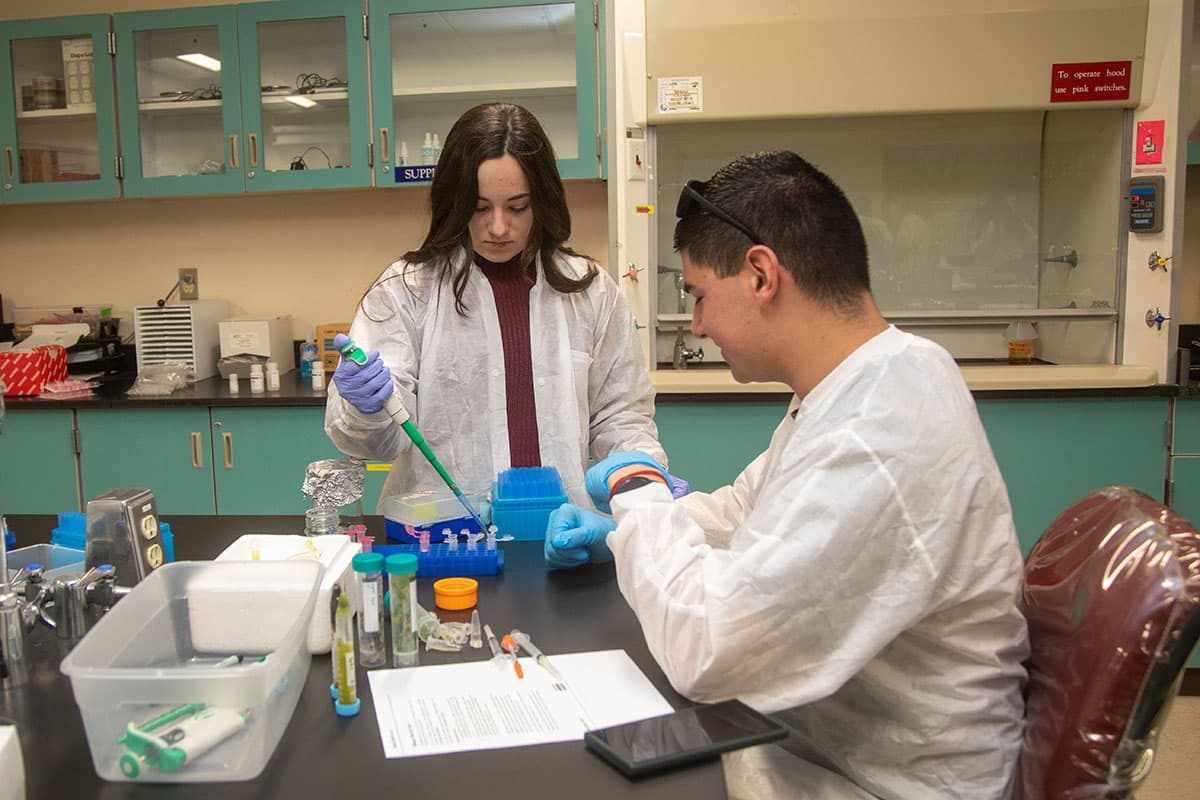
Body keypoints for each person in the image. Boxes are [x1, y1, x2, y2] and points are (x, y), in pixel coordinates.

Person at [544, 151, 1029, 798]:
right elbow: (744, 512)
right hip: (823, 743)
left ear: (761, 275)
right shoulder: (871, 379)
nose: (698, 324)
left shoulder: (878, 430)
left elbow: (705, 652)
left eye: (698, 296)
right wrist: (614, 532)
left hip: (887, 783)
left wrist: (639, 492)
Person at [325, 103, 682, 514]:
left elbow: (621, 416)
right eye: (479, 208)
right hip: (444, 537)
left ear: (541, 202)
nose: (497, 227)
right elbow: (375, 443)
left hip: (562, 534)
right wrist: (367, 408)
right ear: (454, 203)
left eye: (517, 207)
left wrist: (642, 481)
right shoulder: (407, 290)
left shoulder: (591, 292)